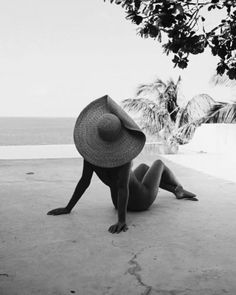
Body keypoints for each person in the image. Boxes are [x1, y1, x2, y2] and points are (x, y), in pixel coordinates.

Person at [47, 95, 197, 234]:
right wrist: (121, 221)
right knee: (158, 163)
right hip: (140, 202)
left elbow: (84, 182)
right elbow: (123, 188)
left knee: (144, 167)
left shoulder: (92, 155)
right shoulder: (122, 158)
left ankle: (174, 190)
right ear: (119, 134)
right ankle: (179, 189)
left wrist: (68, 207)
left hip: (117, 203)